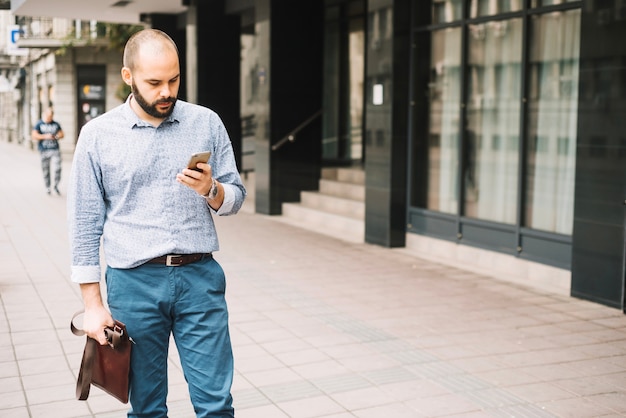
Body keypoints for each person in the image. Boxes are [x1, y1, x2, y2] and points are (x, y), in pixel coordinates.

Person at [67, 29, 246, 417]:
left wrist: (211, 189)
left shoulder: (206, 123)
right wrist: (93, 305)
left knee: (216, 404)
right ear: (128, 77)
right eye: (155, 82)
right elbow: (84, 225)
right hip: (134, 284)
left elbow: (235, 197)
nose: (167, 91)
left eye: (174, 79)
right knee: (147, 407)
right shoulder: (97, 136)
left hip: (200, 279)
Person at [31, 107, 64, 195]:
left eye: (51, 116)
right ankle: (48, 187)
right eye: (49, 116)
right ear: (45, 114)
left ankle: (56, 185)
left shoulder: (56, 124)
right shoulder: (39, 124)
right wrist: (45, 136)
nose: (50, 118)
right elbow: (34, 135)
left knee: (57, 168)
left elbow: (62, 134)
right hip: (44, 150)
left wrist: (56, 137)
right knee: (46, 170)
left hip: (55, 149)